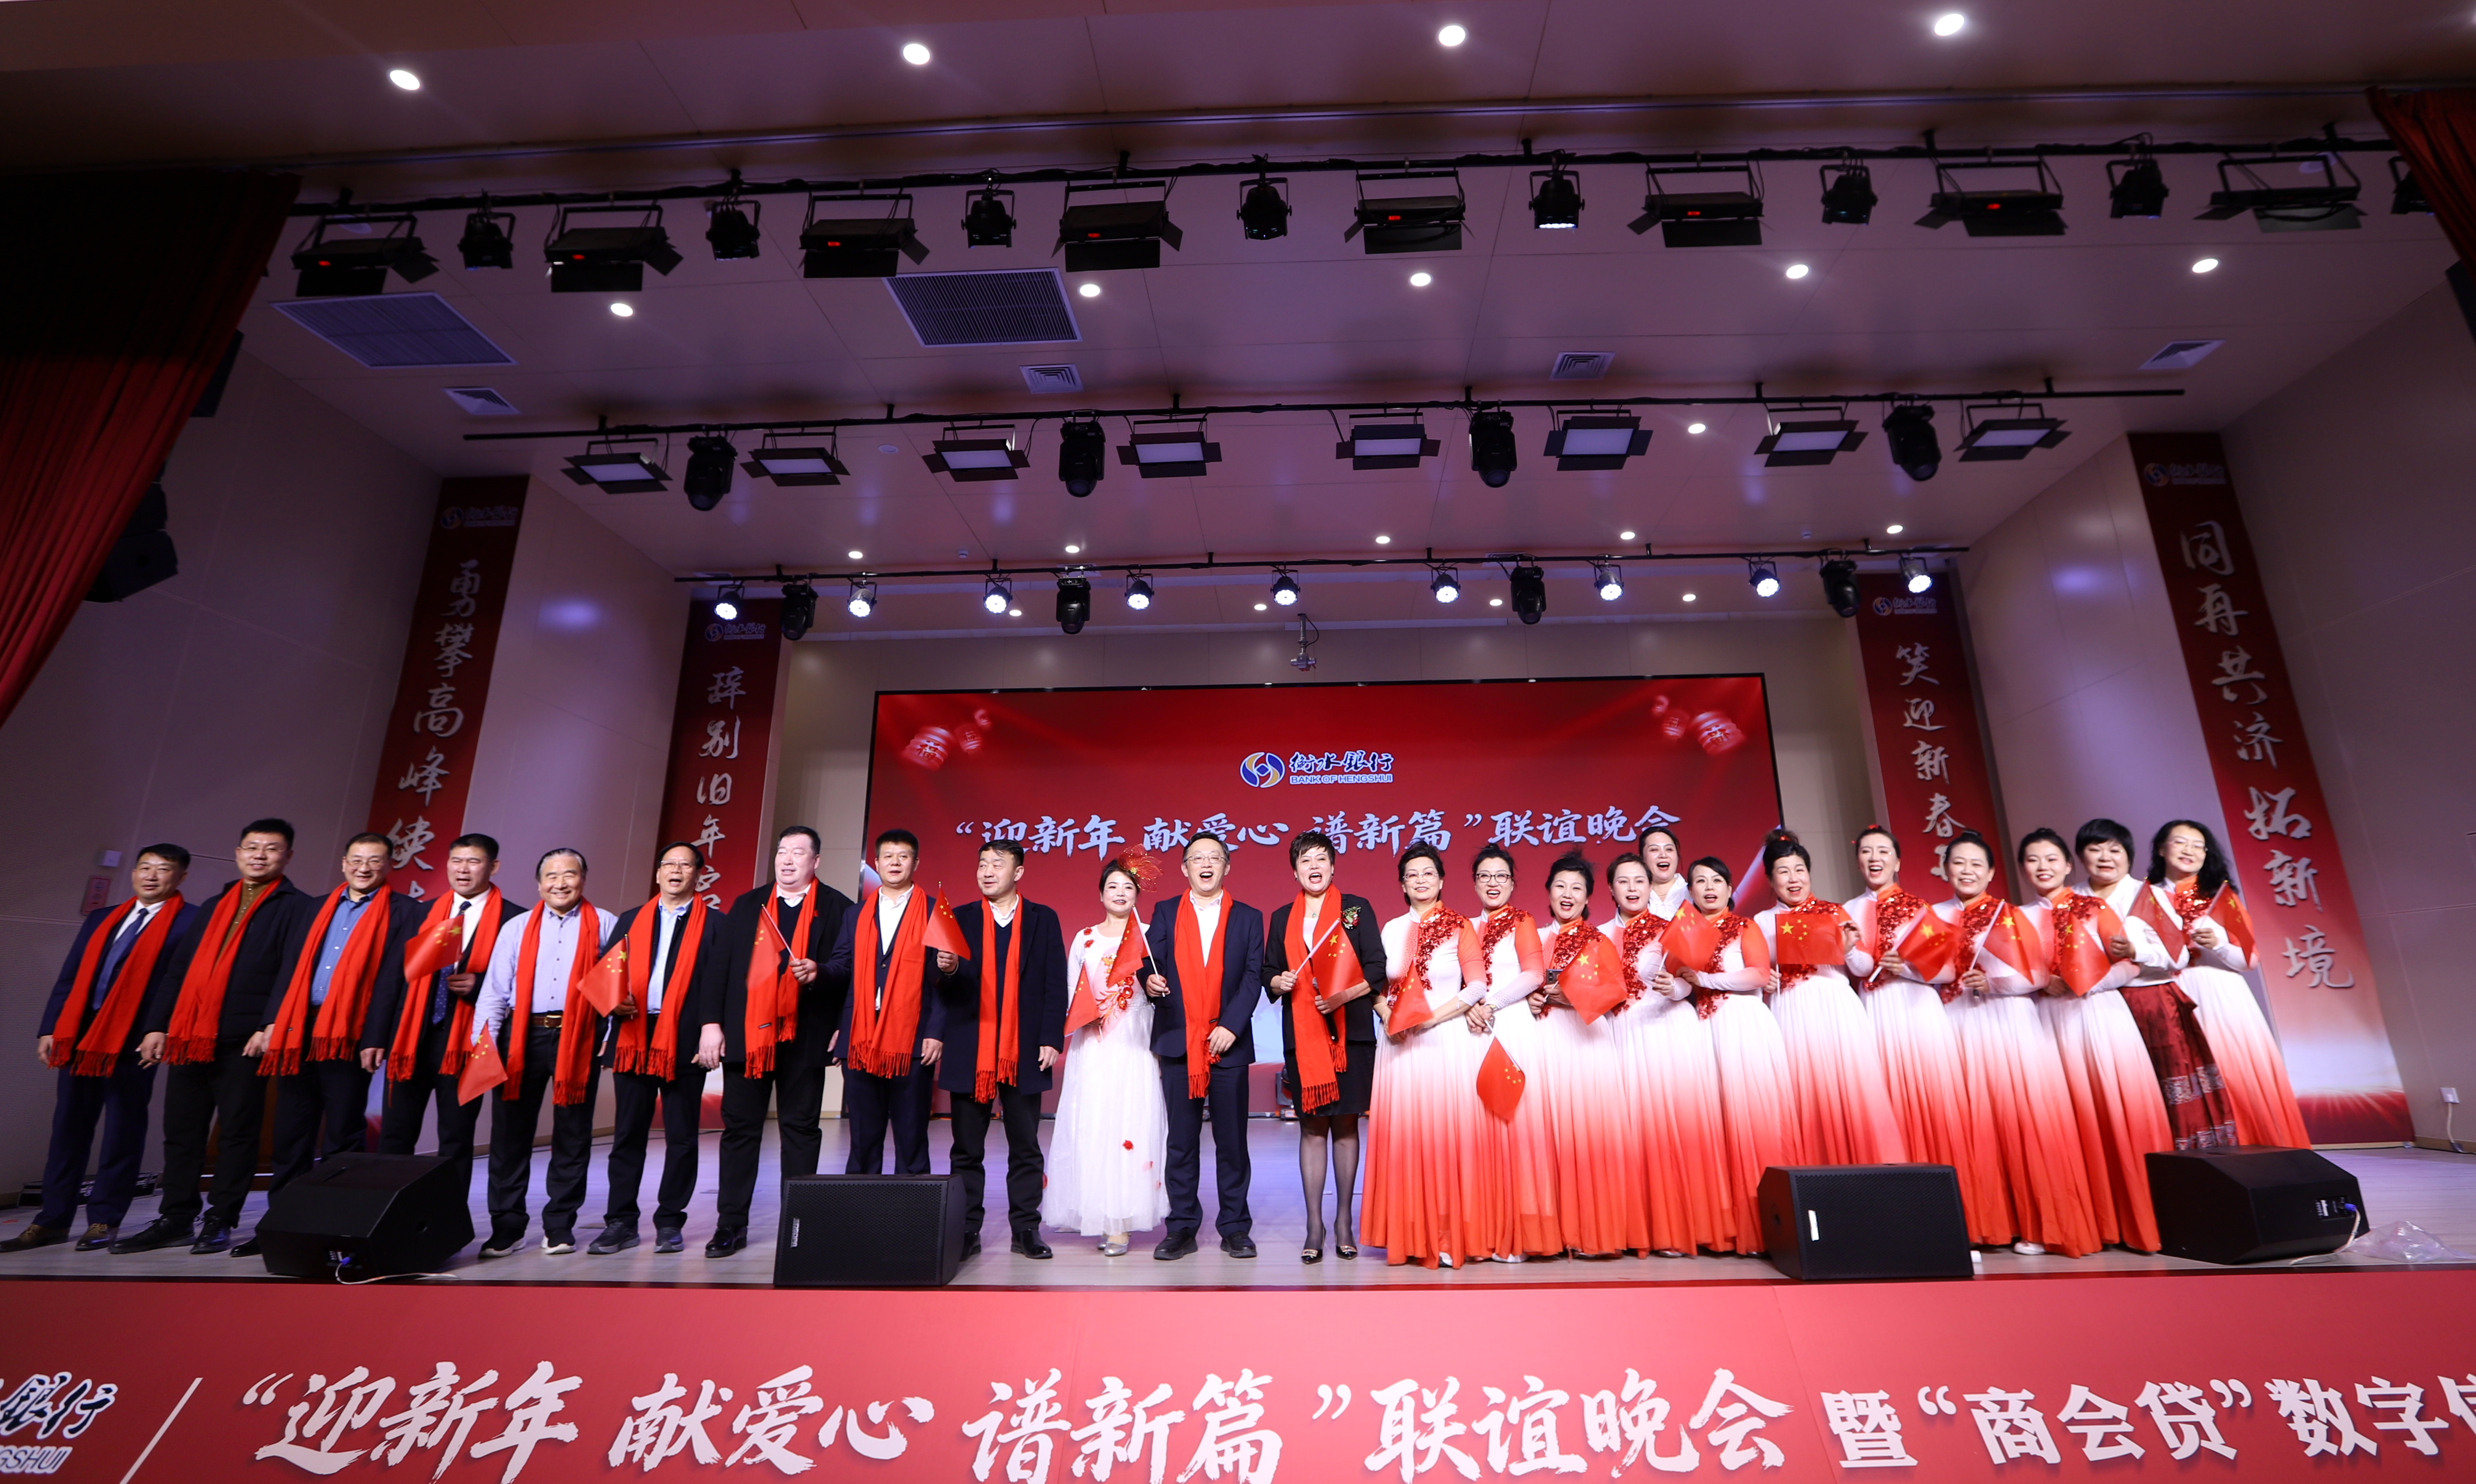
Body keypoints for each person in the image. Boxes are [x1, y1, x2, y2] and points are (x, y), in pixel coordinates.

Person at [118, 819, 315, 1256]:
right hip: (190, 1035)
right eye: (252, 847)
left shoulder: (298, 906)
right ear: (238, 852)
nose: (259, 855)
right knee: (181, 1132)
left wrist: (270, 1025)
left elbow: (293, 972)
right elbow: (179, 969)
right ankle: (176, 1216)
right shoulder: (215, 904)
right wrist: (157, 1025)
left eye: (271, 848)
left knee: (237, 1134)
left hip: (245, 1038)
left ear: (288, 857)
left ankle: (221, 1218)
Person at [4, 846, 200, 1253]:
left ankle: (104, 1219)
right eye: (145, 867)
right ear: (134, 872)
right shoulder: (103, 917)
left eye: (163, 870)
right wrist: (51, 1028)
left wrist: (162, 1029)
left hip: (136, 1038)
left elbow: (184, 983)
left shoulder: (192, 921)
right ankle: (51, 1219)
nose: (151, 876)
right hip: (81, 1035)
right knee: (68, 1130)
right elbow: (71, 975)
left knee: (122, 1132)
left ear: (181, 877)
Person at [252, 832, 429, 1249]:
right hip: (299, 1028)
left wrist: (376, 1035)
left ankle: (334, 1224)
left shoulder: (407, 911)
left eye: (375, 860)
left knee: (343, 1136)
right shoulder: (315, 907)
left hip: (351, 1034)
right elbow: (289, 968)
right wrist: (272, 1022)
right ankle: (283, 1225)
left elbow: (395, 981)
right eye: (357, 860)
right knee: (291, 1134)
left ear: (389, 865)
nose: (364, 868)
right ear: (344, 863)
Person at [1932, 831, 2100, 1258]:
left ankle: (2041, 1225)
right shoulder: (1933, 917)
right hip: (1957, 1023)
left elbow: (2037, 976)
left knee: (2023, 1122)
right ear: (1945, 869)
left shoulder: (2008, 915)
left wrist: (1992, 983)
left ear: (1991, 872)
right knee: (1973, 1127)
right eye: (1958, 863)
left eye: (1976, 864)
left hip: (2008, 1024)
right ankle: (1979, 1226)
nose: (1967, 871)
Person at [1842, 826, 2002, 1245]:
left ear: (1897, 861)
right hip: (1871, 1014)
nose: (1874, 858)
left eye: (1883, 851)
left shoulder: (1920, 909)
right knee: (1885, 1111)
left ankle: (1952, 1221)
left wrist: (1908, 969)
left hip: (1916, 1011)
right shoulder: (1845, 911)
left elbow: (1948, 971)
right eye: (1866, 851)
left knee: (1933, 1108)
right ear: (1857, 860)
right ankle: (1897, 1220)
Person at [2018, 827, 2174, 1253]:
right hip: (2047, 1024)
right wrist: (2040, 982)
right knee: (2064, 1124)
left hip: (2099, 1018)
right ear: (2022, 869)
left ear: (2068, 865)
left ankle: (2141, 1223)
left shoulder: (2094, 907)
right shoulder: (2018, 918)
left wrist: (2090, 983)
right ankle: (2081, 1221)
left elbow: (2129, 966)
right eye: (2032, 859)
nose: (2043, 867)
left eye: (2051, 858)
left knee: (2114, 1114)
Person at [710, 826, 855, 1256]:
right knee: (740, 1131)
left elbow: (851, 974)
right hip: (748, 1038)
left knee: (800, 1131)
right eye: (782, 852)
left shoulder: (838, 907)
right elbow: (719, 969)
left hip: (806, 1036)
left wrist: (841, 1022)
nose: (787, 860)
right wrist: (710, 1024)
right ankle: (730, 1224)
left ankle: (800, 1225)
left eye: (798, 852)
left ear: (816, 861)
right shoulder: (748, 904)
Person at [474, 848, 620, 1257]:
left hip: (580, 1036)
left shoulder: (606, 923)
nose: (560, 883)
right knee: (509, 1134)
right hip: (522, 1035)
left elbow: (618, 986)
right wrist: (483, 1043)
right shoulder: (517, 927)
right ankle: (507, 1227)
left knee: (573, 1133)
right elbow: (495, 989)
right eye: (551, 876)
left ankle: (559, 1225)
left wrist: (609, 1035)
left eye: (569, 874)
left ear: (583, 879)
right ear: (539, 884)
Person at [1364, 842, 1499, 1269]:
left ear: (1441, 880)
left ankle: (1445, 1233)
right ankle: (1407, 1234)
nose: (1420, 880)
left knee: (1444, 1139)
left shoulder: (1461, 926)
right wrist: (1388, 1014)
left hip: (1443, 1042)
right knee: (1405, 1138)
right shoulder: (1390, 929)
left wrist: (1430, 1020)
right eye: (1412, 875)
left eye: (1428, 873)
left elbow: (1476, 986)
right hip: (1398, 1046)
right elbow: (1374, 984)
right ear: (1402, 885)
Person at [935, 839, 1069, 1260]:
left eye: (997, 864)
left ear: (1019, 872)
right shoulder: (960, 918)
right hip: (970, 1047)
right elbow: (942, 988)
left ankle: (1026, 1229)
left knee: (1025, 1145)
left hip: (1023, 1048)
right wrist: (948, 970)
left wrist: (1051, 1037)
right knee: (966, 1148)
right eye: (982, 864)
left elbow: (1054, 983)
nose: (987, 871)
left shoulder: (1042, 919)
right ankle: (966, 1229)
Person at [593, 841, 726, 1256]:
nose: (676, 870)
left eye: (685, 865)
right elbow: (606, 972)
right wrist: (612, 1002)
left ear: (697, 875)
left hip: (686, 1037)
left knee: (682, 1136)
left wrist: (712, 1029)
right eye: (669, 864)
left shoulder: (716, 924)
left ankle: (670, 1221)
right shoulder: (632, 919)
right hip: (634, 1033)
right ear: (658, 873)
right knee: (627, 1134)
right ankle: (620, 1222)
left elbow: (721, 982)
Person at [1604, 846, 1733, 1257]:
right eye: (1623, 881)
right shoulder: (1600, 935)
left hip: (1668, 1031)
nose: (1632, 888)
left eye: (1639, 880)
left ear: (1651, 886)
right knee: (1636, 1131)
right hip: (1625, 1033)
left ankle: (1683, 1226)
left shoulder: (1673, 928)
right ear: (1610, 889)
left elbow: (1686, 983)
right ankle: (1645, 1227)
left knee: (1675, 1127)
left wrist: (1672, 988)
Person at [1261, 831, 1383, 1263]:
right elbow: (1268, 971)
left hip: (1350, 1035)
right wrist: (1279, 981)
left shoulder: (1355, 910)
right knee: (1312, 1128)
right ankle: (1315, 1226)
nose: (1314, 866)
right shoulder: (1282, 917)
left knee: (1346, 1127)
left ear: (1333, 867)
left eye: (1321, 859)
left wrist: (1341, 996)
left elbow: (1376, 969)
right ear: (1295, 871)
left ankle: (1344, 1222)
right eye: (1305, 860)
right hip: (1304, 1035)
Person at [2151, 819, 2311, 1148]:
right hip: (2167, 994)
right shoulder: (2145, 897)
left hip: (2219, 995)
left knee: (2233, 1073)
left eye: (2198, 846)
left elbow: (2249, 960)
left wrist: (2219, 944)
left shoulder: (2220, 897)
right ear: (2161, 849)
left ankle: (2256, 1147)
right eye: (2180, 842)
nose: (2189, 850)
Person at [2079, 818, 2237, 1151]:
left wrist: (2136, 952)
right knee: (2123, 1090)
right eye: (2095, 850)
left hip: (2152, 1002)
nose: (2105, 858)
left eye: (2115, 850)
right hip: (2099, 1007)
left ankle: (2192, 1163)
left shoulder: (2148, 894)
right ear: (2080, 856)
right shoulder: (2074, 899)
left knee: (2171, 1087)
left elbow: (2177, 957)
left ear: (2129, 855)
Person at [1672, 856, 1803, 1255]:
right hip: (1705, 1032)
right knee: (1718, 1129)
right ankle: (1726, 1229)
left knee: (1755, 1120)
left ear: (1730, 889)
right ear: (1689, 891)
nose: (1709, 887)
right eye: (1700, 881)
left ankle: (1769, 1228)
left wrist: (1705, 979)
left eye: (1717, 880)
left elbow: (1759, 974)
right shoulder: (1684, 934)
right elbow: (1677, 983)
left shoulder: (1744, 926)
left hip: (1744, 1027)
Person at [1143, 831, 1264, 1259]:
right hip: (1179, 1039)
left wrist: (1231, 1025)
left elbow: (1253, 976)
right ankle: (1181, 1227)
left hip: (1229, 1043)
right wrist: (1149, 982)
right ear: (1185, 868)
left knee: (1232, 1142)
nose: (1206, 864)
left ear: (1227, 866)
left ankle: (1235, 1227)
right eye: (1197, 858)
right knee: (1181, 1142)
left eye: (1215, 857)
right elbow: (1149, 964)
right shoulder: (1165, 912)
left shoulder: (1248, 917)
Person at [367, 834, 507, 1204]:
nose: (463, 869)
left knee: (456, 1138)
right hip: (411, 1039)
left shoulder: (513, 918)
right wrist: (376, 1036)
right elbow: (391, 978)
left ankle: (447, 1220)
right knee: (395, 1135)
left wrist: (479, 984)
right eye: (456, 861)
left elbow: (522, 983)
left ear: (493, 867)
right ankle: (387, 1216)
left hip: (465, 1044)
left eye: (474, 861)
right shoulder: (421, 912)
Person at [1754, 831, 1907, 1166]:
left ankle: (1872, 1169)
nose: (1793, 879)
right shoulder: (1761, 922)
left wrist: (1848, 948)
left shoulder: (1835, 912)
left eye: (1799, 870)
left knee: (1854, 1089)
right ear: (1769, 879)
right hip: (1791, 1011)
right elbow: (1757, 974)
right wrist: (1766, 977)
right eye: (1783, 871)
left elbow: (1864, 967)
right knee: (1806, 1092)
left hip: (1837, 1008)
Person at [1042, 857, 1171, 1255]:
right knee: (1093, 1124)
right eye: (1112, 886)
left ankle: (1120, 1221)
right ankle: (1095, 1210)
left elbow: (1163, 993)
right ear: (1100, 894)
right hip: (1093, 1044)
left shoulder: (1149, 935)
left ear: (1137, 894)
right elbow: (1070, 992)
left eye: (1128, 887)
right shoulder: (1084, 938)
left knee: (1131, 1124)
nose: (1120, 893)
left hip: (1136, 1041)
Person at [1532, 855, 1650, 1259]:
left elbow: (1614, 993)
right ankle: (1550, 1236)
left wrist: (1560, 996)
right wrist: (1530, 999)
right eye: (1560, 886)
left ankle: (1595, 1232)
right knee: (1548, 1136)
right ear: (1548, 891)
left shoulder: (1598, 940)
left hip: (1588, 1046)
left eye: (1576, 888)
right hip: (1545, 1042)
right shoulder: (1534, 938)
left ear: (1588, 898)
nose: (1567, 895)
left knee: (1589, 1136)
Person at [840, 829, 957, 1179]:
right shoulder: (855, 914)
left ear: (916, 863)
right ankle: (861, 1206)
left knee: (911, 1133)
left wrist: (936, 1031)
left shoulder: (936, 911)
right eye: (888, 856)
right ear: (876, 863)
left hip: (914, 1037)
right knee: (862, 1135)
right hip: (861, 1036)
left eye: (903, 856)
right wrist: (818, 973)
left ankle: (912, 1208)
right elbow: (842, 969)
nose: (895, 862)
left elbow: (945, 981)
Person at [1465, 845, 1557, 1260]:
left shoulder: (1523, 921)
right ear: (1474, 883)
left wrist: (1490, 1004)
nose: (1493, 883)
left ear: (1513, 883)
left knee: (1515, 1125)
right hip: (1473, 1031)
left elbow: (1534, 974)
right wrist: (1470, 1007)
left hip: (1512, 1026)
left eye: (1501, 876)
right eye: (1485, 876)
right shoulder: (1466, 926)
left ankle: (1520, 1231)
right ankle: (1482, 1229)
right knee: (1478, 1128)